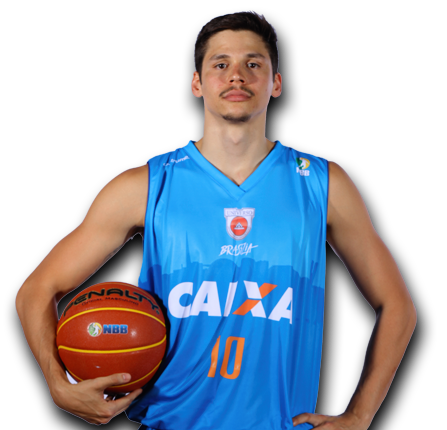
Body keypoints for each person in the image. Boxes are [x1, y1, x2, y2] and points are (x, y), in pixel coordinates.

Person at [15, 10, 416, 430]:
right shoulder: (145, 185)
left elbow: (397, 307)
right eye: (220, 64)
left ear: (276, 83)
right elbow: (37, 289)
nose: (236, 75)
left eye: (253, 64)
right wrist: (56, 382)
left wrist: (359, 416)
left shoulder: (322, 184)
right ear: (197, 83)